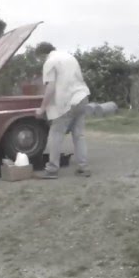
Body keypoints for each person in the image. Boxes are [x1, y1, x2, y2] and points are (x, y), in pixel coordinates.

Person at [34, 42, 91, 179]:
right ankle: (83, 168)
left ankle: (52, 170)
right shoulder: (70, 57)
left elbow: (51, 87)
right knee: (79, 135)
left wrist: (42, 109)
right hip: (82, 97)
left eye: (39, 58)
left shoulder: (50, 62)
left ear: (42, 54)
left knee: (55, 135)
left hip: (67, 102)